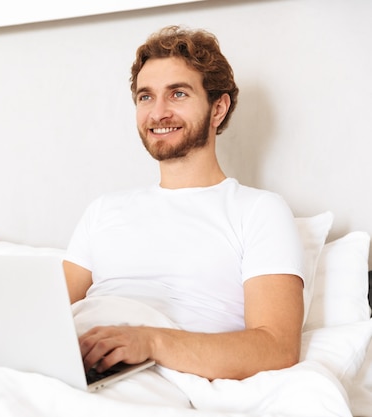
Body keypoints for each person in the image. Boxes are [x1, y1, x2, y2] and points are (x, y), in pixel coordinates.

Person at [63, 25, 305, 381]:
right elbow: (43, 314)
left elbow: (277, 348)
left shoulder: (258, 211)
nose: (158, 112)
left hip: (154, 377)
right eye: (145, 97)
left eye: (177, 94)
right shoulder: (103, 209)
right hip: (74, 366)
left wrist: (151, 342)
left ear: (218, 108)